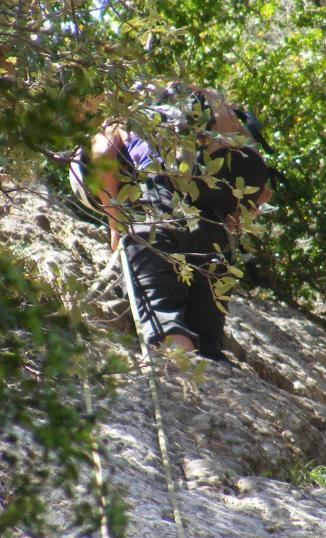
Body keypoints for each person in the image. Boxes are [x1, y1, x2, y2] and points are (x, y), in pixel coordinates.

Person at [83, 83, 274, 359]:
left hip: (160, 209)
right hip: (216, 231)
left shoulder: (124, 119)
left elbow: (102, 155)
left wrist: (116, 223)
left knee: (169, 337)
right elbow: (263, 193)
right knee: (208, 347)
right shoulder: (209, 120)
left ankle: (180, 374)